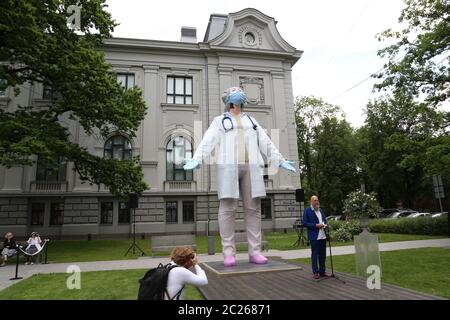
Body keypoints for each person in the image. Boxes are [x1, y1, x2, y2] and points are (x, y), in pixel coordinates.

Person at [184, 86, 296, 267]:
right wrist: (197, 159)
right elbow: (208, 140)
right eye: (235, 92)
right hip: (229, 167)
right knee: (228, 208)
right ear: (228, 99)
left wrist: (280, 160)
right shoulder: (220, 121)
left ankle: (255, 252)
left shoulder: (251, 120)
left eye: (240, 92)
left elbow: (265, 141)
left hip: (252, 167)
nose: (239, 94)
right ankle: (228, 253)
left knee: (253, 209)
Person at [302, 195, 329, 279]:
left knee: (323, 255)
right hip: (314, 237)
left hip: (323, 236)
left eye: (317, 200)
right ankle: (315, 272)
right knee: (315, 255)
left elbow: (324, 220)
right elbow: (305, 223)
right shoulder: (307, 211)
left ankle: (322, 271)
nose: (317, 202)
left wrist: (326, 225)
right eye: (315, 200)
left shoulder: (321, 210)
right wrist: (316, 225)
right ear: (311, 202)